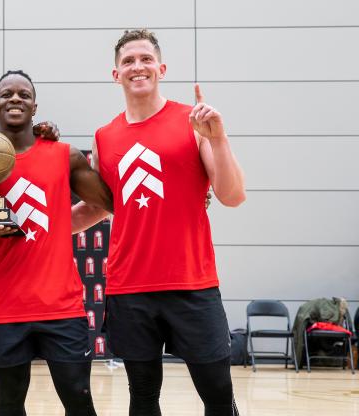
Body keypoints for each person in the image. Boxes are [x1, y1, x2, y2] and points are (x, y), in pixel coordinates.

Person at [73, 29, 246, 416]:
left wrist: (218, 138)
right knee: (143, 397)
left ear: (162, 68)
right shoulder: (104, 137)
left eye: (146, 59)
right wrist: (40, 230)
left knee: (218, 395)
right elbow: (100, 208)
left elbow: (232, 195)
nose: (138, 67)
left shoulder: (193, 121)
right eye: (129, 61)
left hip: (192, 282)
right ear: (115, 74)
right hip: (129, 287)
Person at [0, 70, 114, 416]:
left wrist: (188, 197)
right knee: (9, 403)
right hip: (4, 308)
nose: (15, 99)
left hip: (61, 306)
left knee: (78, 397)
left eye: (23, 94)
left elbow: (110, 202)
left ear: (35, 105)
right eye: (7, 94)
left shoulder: (64, 155)